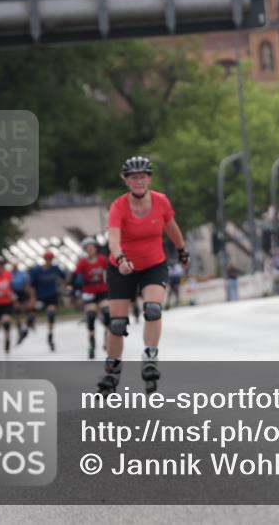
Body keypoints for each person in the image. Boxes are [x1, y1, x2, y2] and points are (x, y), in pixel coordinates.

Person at [99, 156, 189, 394]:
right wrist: (120, 259)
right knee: (117, 324)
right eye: (133, 178)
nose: (138, 181)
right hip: (122, 267)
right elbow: (114, 240)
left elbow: (171, 227)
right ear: (126, 180)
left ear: (149, 178)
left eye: (142, 177)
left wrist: (182, 250)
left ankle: (150, 357)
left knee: (153, 309)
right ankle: (113, 369)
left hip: (153, 264)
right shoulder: (118, 206)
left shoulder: (160, 201)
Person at [74, 237, 110, 360]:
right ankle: (92, 343)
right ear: (85, 250)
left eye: (92, 247)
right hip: (89, 291)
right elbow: (75, 277)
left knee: (107, 313)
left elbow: (110, 272)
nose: (90, 250)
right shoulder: (82, 263)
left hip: (102, 290)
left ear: (95, 248)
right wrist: (73, 288)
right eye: (87, 248)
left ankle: (107, 339)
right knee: (90, 316)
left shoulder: (102, 259)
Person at [29, 251, 65, 352]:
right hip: (40, 297)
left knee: (51, 314)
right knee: (31, 314)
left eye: (50, 259)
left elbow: (64, 278)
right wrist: (33, 298)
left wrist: (63, 288)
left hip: (52, 296)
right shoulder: (37, 271)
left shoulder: (55, 268)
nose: (49, 261)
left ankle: (50, 334)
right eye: (47, 259)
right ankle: (27, 327)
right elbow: (32, 286)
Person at [10, 260, 32, 345]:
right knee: (17, 310)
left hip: (23, 292)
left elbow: (27, 284)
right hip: (14, 293)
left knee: (27, 310)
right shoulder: (10, 274)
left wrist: (28, 293)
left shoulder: (22, 274)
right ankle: (19, 329)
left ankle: (27, 326)